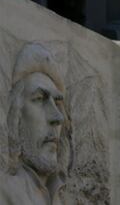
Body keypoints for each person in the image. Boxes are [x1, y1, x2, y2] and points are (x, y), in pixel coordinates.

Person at [0, 43, 72, 204]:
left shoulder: (62, 195)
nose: (57, 117)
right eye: (39, 99)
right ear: (15, 116)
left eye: (57, 103)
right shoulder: (5, 193)